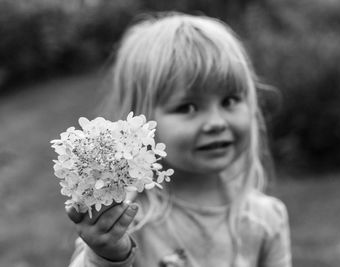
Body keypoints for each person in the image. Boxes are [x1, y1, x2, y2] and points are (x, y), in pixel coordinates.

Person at [67, 12, 292, 267]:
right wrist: (106, 255)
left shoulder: (266, 218)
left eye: (229, 101)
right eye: (188, 107)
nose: (216, 122)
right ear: (142, 124)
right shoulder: (125, 217)